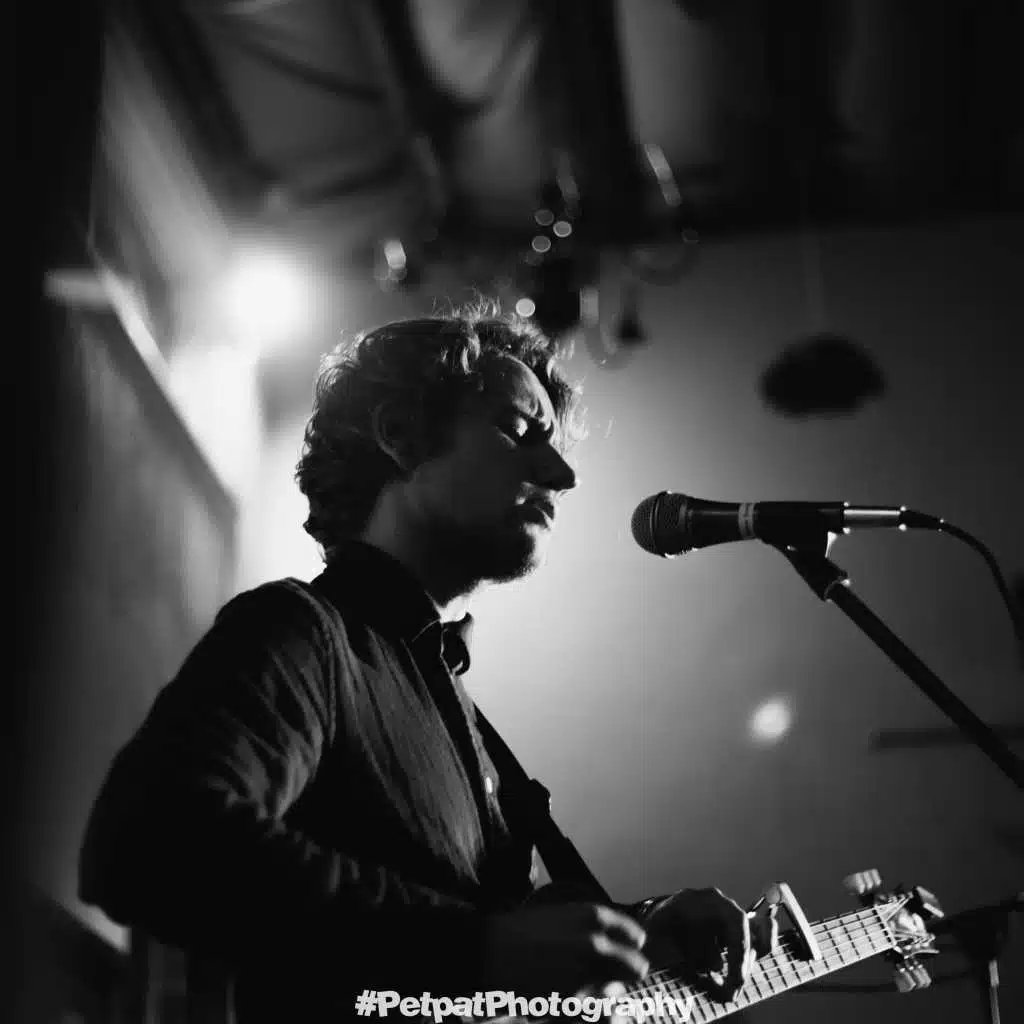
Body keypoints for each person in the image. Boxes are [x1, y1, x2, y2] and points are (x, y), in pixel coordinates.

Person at [79, 303, 756, 1022]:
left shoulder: (454, 704)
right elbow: (149, 841)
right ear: (399, 436)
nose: (561, 475)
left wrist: (640, 933)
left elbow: (494, 943)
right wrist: (476, 950)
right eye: (519, 430)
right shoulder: (305, 632)